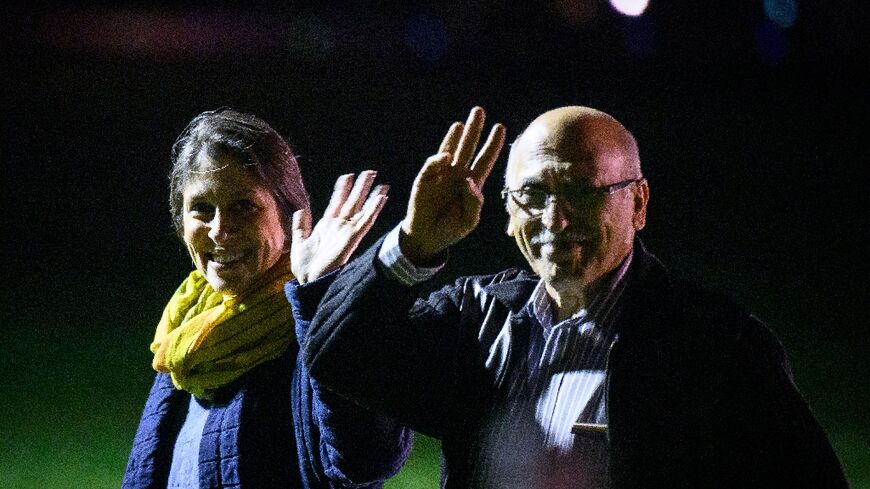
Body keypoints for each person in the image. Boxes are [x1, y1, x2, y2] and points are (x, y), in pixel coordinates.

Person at [288, 106, 849, 488]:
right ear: (507, 213)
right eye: (533, 195)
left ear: (639, 203)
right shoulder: (477, 318)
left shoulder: (715, 343)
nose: (555, 219)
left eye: (583, 190)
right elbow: (340, 356)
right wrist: (411, 248)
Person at [123, 108, 411, 488]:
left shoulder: (320, 323)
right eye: (202, 209)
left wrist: (319, 296)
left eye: (244, 206)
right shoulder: (188, 333)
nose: (220, 230)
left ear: (288, 215)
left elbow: (366, 460)